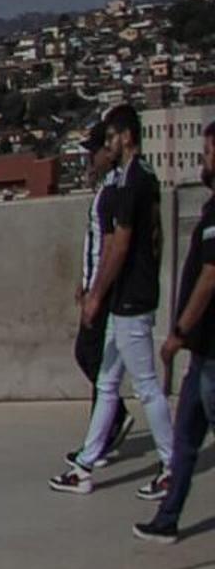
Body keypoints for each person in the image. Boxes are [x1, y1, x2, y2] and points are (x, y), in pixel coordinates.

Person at [56, 105, 166, 496]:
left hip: (128, 298)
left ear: (127, 137)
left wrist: (95, 294)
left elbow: (115, 246)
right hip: (127, 295)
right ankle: (86, 462)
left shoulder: (129, 184)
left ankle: (171, 463)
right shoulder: (139, 179)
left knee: (146, 386)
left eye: (109, 139)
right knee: (105, 381)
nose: (105, 146)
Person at [131, 184, 215, 543]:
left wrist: (179, 331)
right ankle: (167, 518)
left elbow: (210, 276)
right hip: (202, 356)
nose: (205, 159)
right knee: (184, 442)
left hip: (212, 353)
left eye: (211, 153)